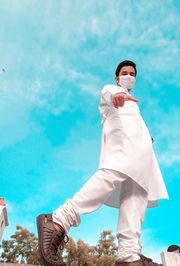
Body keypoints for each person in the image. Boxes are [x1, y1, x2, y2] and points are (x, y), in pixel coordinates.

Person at [36, 60, 169, 266]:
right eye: (124, 73)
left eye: (132, 73)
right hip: (123, 147)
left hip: (143, 154)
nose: (128, 76)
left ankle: (129, 254)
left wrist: (146, 138)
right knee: (110, 176)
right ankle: (59, 219)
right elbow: (108, 95)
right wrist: (116, 97)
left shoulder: (135, 105)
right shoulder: (111, 90)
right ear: (117, 77)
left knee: (136, 195)